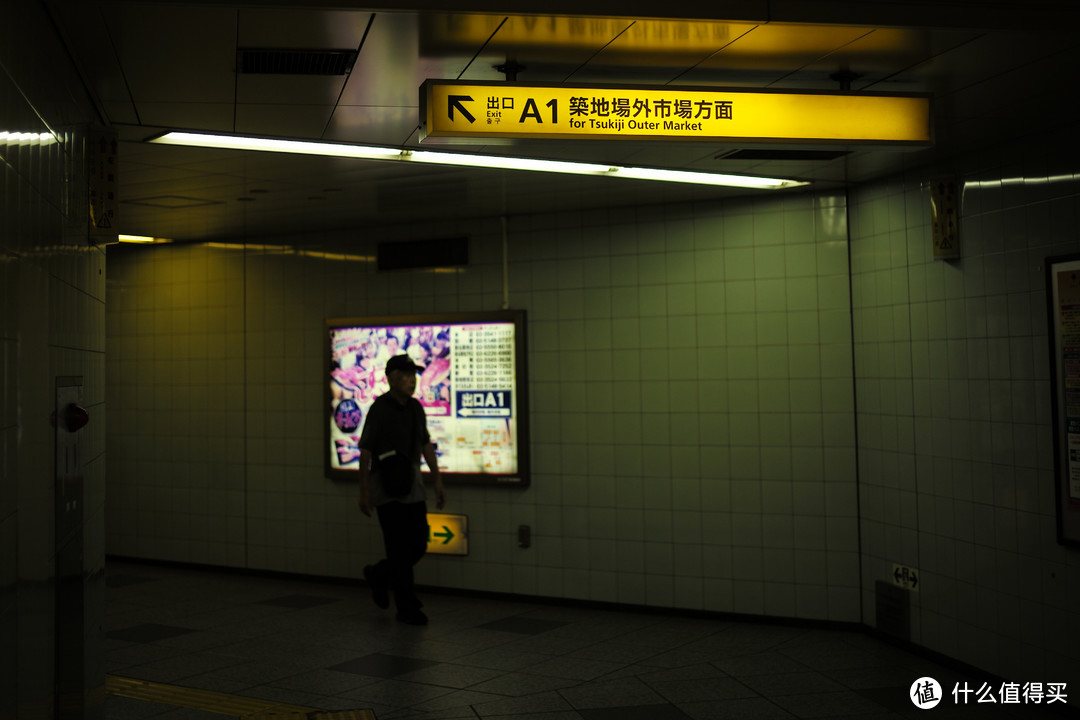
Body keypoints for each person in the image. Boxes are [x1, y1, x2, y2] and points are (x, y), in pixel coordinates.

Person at [357, 354, 446, 625]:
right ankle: (406, 608)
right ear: (392, 379)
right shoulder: (380, 409)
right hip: (386, 487)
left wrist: (437, 479)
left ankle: (379, 575)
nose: (412, 380)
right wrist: (364, 490)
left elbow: (426, 443)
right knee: (398, 549)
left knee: (418, 544)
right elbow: (366, 451)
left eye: (414, 375)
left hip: (413, 486)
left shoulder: (416, 408)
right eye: (406, 376)